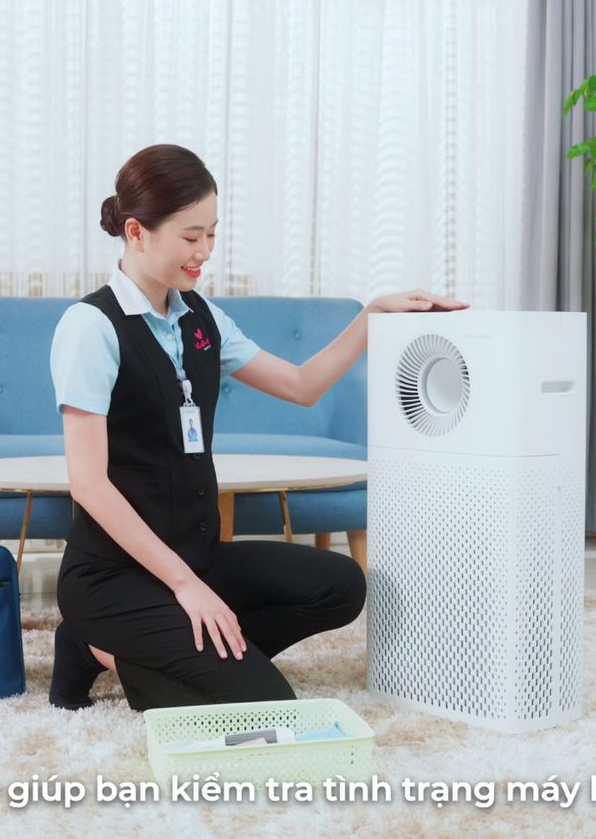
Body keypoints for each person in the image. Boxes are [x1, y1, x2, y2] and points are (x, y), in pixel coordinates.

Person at [48, 143, 467, 711]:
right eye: (190, 237)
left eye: (212, 234)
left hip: (196, 555)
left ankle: (184, 658)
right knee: (262, 701)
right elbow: (89, 485)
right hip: (113, 577)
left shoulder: (201, 316)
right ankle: (95, 645)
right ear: (137, 232)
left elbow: (300, 386)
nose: (205, 253)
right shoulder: (90, 327)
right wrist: (186, 587)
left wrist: (372, 315)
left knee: (341, 585)